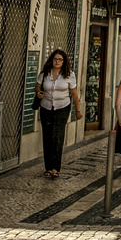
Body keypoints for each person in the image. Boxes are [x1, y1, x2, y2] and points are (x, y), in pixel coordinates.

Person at [35, 49, 82, 179]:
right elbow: (38, 86)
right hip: (46, 107)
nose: (57, 61)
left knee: (57, 136)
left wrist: (78, 110)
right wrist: (38, 92)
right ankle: (48, 168)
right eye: (55, 59)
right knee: (47, 136)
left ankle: (56, 168)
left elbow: (74, 93)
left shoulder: (69, 75)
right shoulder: (45, 74)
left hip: (62, 107)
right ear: (51, 60)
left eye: (60, 59)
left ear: (64, 61)